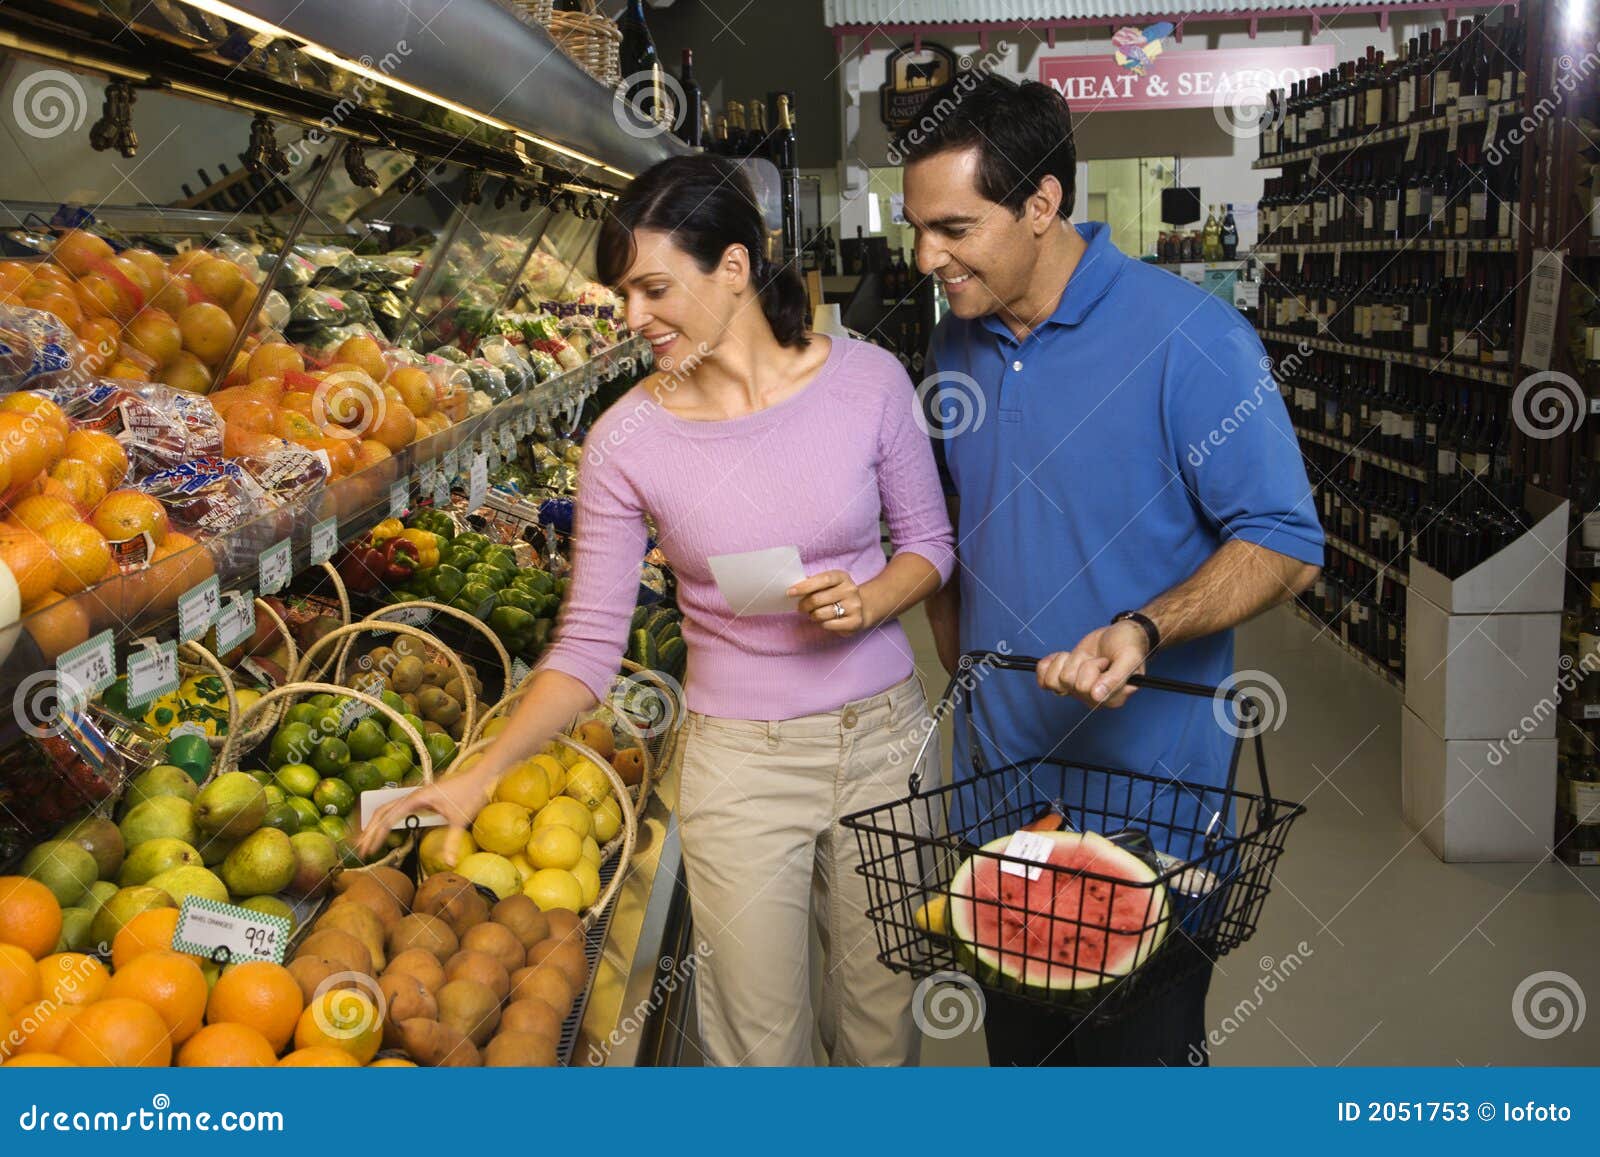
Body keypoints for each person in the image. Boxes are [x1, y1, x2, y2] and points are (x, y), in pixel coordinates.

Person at [359, 154, 954, 1067]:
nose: (632, 319)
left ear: (734, 268)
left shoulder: (866, 381)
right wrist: (482, 770)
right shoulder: (624, 439)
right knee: (760, 1048)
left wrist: (869, 597)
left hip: (885, 743)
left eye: (652, 288)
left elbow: (931, 546)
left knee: (885, 1026)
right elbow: (590, 646)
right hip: (740, 768)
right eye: (621, 294)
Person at [901, 77, 1323, 1066]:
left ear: (1040, 205)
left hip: (1152, 816)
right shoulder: (953, 341)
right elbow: (963, 524)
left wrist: (1140, 627)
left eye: (954, 227)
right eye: (917, 228)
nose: (927, 257)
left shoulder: (1192, 338)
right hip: (999, 807)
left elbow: (1287, 544)